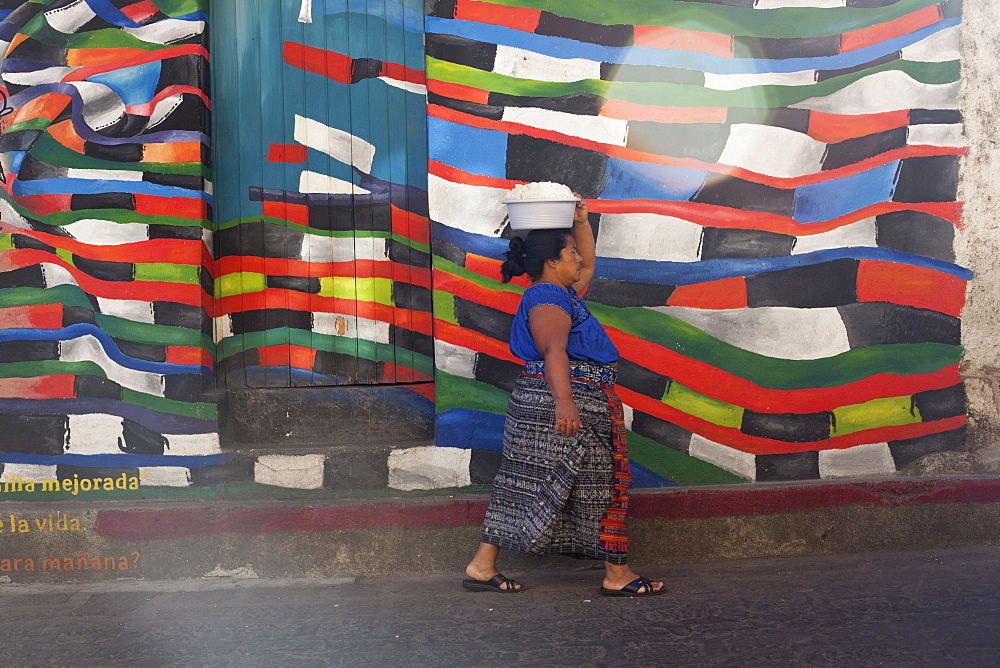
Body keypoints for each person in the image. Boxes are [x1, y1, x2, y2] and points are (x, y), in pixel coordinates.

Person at [462, 195, 665, 597]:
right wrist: (566, 402)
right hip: (560, 401)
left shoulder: (560, 292)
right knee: (599, 484)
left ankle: (483, 565)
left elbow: (588, 265)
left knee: (528, 479)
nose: (578, 258)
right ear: (552, 262)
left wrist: (582, 224)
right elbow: (554, 348)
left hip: (561, 399)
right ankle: (616, 574)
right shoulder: (548, 298)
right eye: (570, 251)